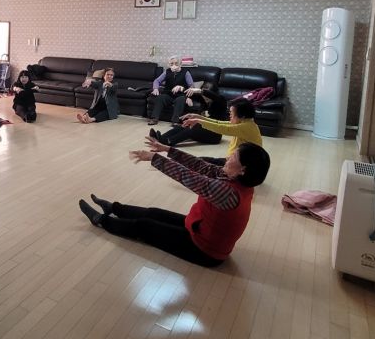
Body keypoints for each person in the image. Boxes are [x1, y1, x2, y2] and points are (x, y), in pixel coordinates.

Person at [79, 137, 270, 267]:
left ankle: (101, 220)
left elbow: (188, 177)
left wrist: (154, 158)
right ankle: (113, 208)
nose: (228, 157)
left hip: (206, 251)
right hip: (200, 226)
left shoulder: (228, 193)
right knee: (154, 213)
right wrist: (167, 149)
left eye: (233, 156)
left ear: (243, 169)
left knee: (145, 226)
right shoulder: (235, 179)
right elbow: (201, 166)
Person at [180, 99, 262, 165]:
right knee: (199, 161)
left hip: (242, 167)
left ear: (242, 116)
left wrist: (198, 121)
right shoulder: (244, 122)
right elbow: (218, 123)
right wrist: (199, 117)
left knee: (200, 163)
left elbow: (221, 128)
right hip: (235, 161)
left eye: (232, 113)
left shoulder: (246, 127)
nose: (229, 115)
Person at [152, 86, 228, 146]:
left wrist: (201, 91)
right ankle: (161, 138)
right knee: (184, 125)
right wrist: (182, 88)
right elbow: (191, 94)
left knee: (191, 129)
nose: (205, 98)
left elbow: (216, 97)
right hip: (203, 128)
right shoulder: (204, 100)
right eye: (203, 96)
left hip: (214, 135)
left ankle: (168, 141)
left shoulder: (221, 102)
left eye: (207, 96)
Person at [147, 56, 194, 125]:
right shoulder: (167, 71)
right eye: (171, 64)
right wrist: (155, 88)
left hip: (181, 95)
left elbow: (192, 86)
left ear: (180, 64)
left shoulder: (186, 73)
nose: (174, 65)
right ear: (169, 65)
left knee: (180, 100)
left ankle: (175, 121)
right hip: (169, 95)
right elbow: (157, 81)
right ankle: (154, 118)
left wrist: (186, 94)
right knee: (161, 97)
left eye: (176, 63)